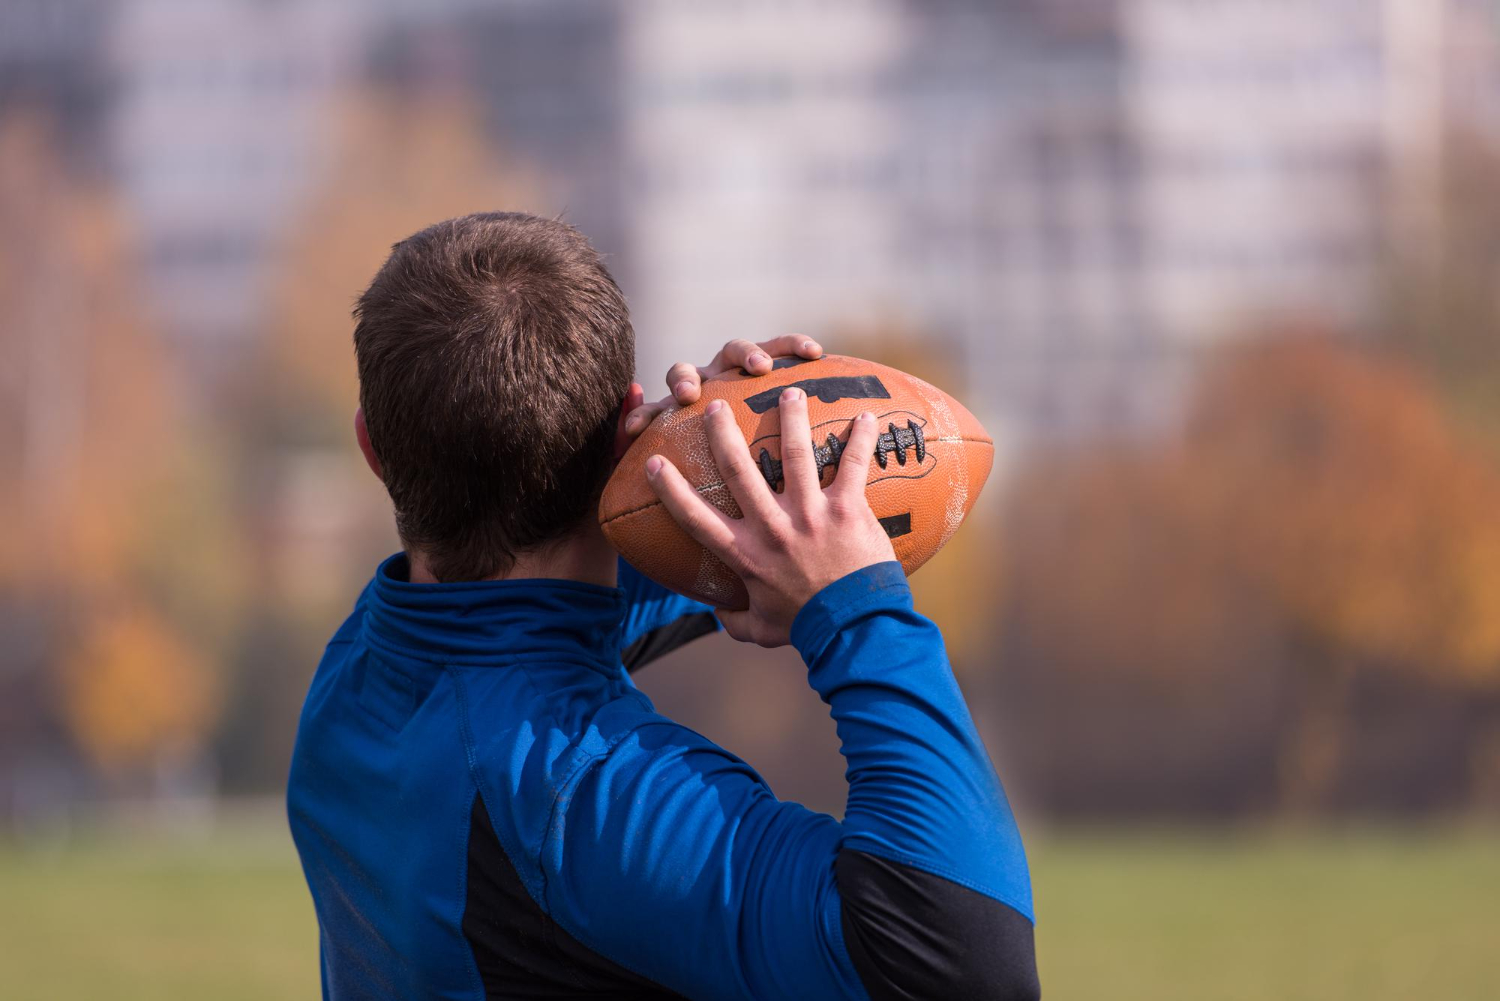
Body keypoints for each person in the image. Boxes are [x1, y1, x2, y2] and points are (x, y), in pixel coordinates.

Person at [286, 211, 1038, 1000]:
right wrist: (855, 609)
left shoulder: (354, 679)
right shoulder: (571, 807)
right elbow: (968, 957)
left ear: (372, 448)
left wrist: (702, 477)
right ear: (625, 419)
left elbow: (524, 630)